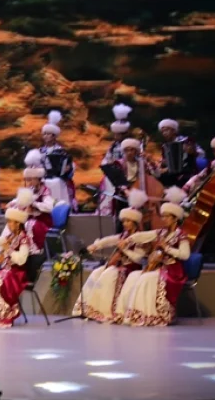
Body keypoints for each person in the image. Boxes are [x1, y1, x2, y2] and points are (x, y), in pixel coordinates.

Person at [71, 190, 148, 323]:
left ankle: (105, 311)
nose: (124, 224)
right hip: (119, 266)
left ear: (135, 223)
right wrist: (95, 246)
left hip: (131, 268)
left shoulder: (140, 238)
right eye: (123, 221)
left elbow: (139, 258)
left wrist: (124, 250)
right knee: (96, 272)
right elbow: (110, 240)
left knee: (109, 274)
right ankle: (87, 308)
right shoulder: (124, 235)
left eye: (127, 221)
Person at [117, 193, 191, 327]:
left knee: (146, 279)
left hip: (173, 271)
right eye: (163, 216)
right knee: (134, 276)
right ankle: (128, 314)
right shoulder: (162, 232)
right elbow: (142, 236)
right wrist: (128, 240)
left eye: (166, 216)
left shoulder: (181, 235)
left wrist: (166, 248)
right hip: (160, 267)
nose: (163, 219)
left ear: (175, 219)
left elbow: (185, 255)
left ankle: (152, 314)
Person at [106, 138, 160, 225]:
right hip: (124, 195)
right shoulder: (118, 163)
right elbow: (118, 182)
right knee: (123, 221)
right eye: (126, 150)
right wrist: (126, 191)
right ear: (123, 151)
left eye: (132, 150)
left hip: (141, 193)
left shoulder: (142, 163)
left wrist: (150, 161)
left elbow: (157, 174)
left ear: (136, 151)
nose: (129, 152)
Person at [97, 104, 134, 215]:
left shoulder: (132, 144)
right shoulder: (113, 146)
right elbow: (106, 159)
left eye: (118, 134)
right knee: (106, 180)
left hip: (128, 173)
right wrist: (107, 164)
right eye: (115, 134)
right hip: (114, 174)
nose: (116, 136)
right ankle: (107, 212)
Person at [16, 150, 55, 250]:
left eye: (31, 180)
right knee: (14, 222)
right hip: (31, 219)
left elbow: (49, 207)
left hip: (43, 222)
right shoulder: (29, 190)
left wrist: (34, 204)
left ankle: (34, 249)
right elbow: (19, 201)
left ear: (38, 179)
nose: (28, 182)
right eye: (27, 180)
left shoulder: (45, 190)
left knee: (29, 224)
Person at [39, 110, 75, 208]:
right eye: (44, 134)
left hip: (58, 179)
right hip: (43, 178)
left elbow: (69, 168)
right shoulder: (40, 151)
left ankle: (59, 208)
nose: (45, 136)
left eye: (48, 134)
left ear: (54, 136)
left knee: (57, 182)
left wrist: (68, 169)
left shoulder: (61, 151)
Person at [158, 119, 204, 188]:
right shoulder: (165, 146)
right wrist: (163, 163)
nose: (164, 133)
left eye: (166, 130)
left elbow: (201, 153)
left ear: (174, 130)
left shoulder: (186, 140)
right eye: (162, 131)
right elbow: (166, 164)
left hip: (188, 172)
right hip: (173, 173)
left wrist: (192, 151)